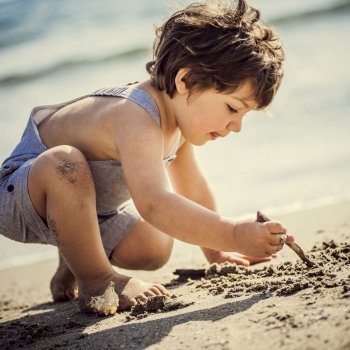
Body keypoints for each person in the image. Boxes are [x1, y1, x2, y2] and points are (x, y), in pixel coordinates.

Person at [0, 0, 294, 315]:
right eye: (233, 109)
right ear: (186, 81)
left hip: (89, 208)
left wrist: (217, 252)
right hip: (20, 193)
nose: (236, 126)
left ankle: (74, 259)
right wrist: (234, 234)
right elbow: (154, 203)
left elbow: (192, 189)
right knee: (64, 163)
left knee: (154, 247)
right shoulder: (136, 115)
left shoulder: (178, 122)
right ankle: (96, 280)